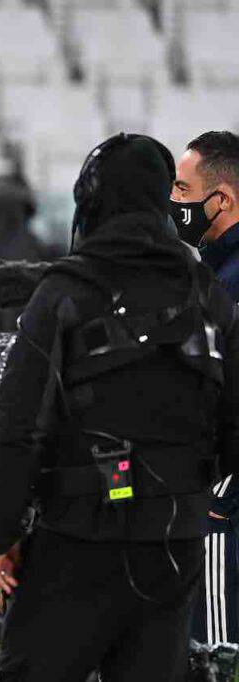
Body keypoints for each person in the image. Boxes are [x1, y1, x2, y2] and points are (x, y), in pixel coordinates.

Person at [0, 133, 239, 681]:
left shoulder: (64, 291)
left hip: (79, 541)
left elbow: (18, 426)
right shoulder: (208, 293)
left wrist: (1, 537)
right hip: (174, 545)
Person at [171, 130, 239, 672]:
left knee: (212, 659)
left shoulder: (231, 282)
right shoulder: (217, 273)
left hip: (225, 497)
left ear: (223, 199)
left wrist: (223, 491)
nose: (174, 204)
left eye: (183, 190)